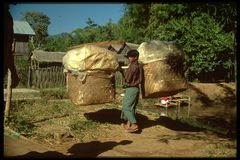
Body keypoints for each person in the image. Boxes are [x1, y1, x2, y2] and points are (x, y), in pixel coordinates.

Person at [120, 49, 143, 133]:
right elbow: (140, 79)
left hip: (131, 89)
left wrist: (121, 71)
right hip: (136, 89)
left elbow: (127, 79)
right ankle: (128, 124)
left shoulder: (133, 66)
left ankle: (134, 124)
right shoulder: (140, 65)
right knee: (132, 108)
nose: (129, 58)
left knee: (126, 107)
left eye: (130, 57)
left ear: (135, 57)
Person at [4, 3, 20, 88]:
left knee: (8, 60)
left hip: (7, 43)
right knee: (9, 60)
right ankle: (15, 76)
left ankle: (15, 76)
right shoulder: (8, 16)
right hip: (7, 43)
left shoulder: (7, 16)